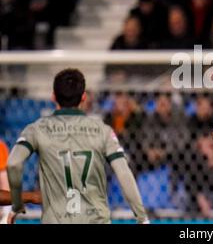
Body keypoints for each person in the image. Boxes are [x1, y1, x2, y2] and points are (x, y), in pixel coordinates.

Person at [6, 69, 149, 224]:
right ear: (83, 97)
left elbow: (13, 164)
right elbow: (123, 172)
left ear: (53, 96)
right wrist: (142, 218)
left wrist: (17, 203)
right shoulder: (103, 130)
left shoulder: (36, 129)